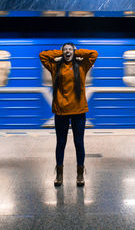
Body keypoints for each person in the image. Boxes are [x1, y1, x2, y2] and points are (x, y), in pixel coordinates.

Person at [39, 43, 98, 187]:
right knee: (61, 143)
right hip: (61, 111)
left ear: (74, 51)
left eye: (70, 49)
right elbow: (42, 55)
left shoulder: (82, 66)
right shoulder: (55, 67)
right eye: (65, 49)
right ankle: (59, 174)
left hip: (78, 111)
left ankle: (80, 174)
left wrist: (78, 53)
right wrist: (58, 53)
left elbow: (94, 53)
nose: (67, 52)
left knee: (79, 143)